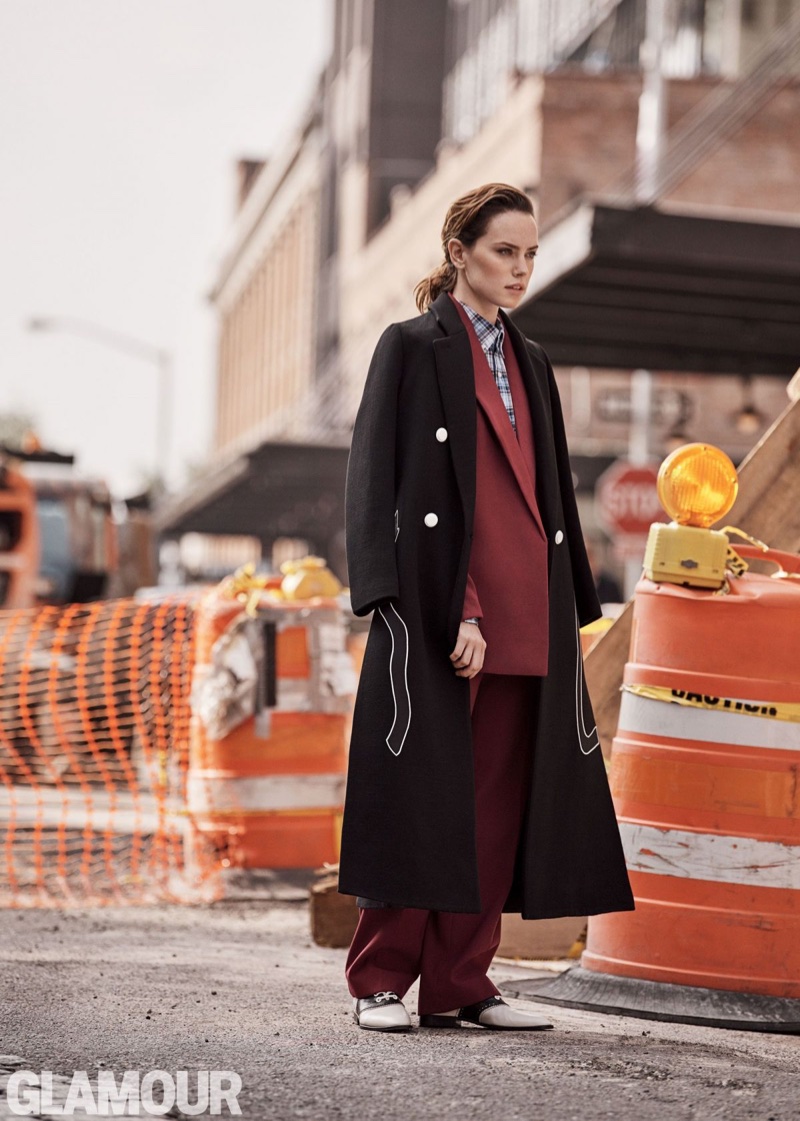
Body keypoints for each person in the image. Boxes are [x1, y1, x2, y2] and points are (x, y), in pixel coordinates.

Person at [339, 183, 634, 1033]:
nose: (520, 268)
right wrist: (442, 607)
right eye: (505, 250)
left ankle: (464, 981)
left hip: (526, 606)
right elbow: (378, 483)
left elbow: (546, 496)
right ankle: (382, 979)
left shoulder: (531, 360)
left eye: (531, 253)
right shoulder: (411, 346)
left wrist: (567, 604)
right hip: (443, 608)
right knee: (423, 790)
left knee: (499, 801)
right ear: (459, 251)